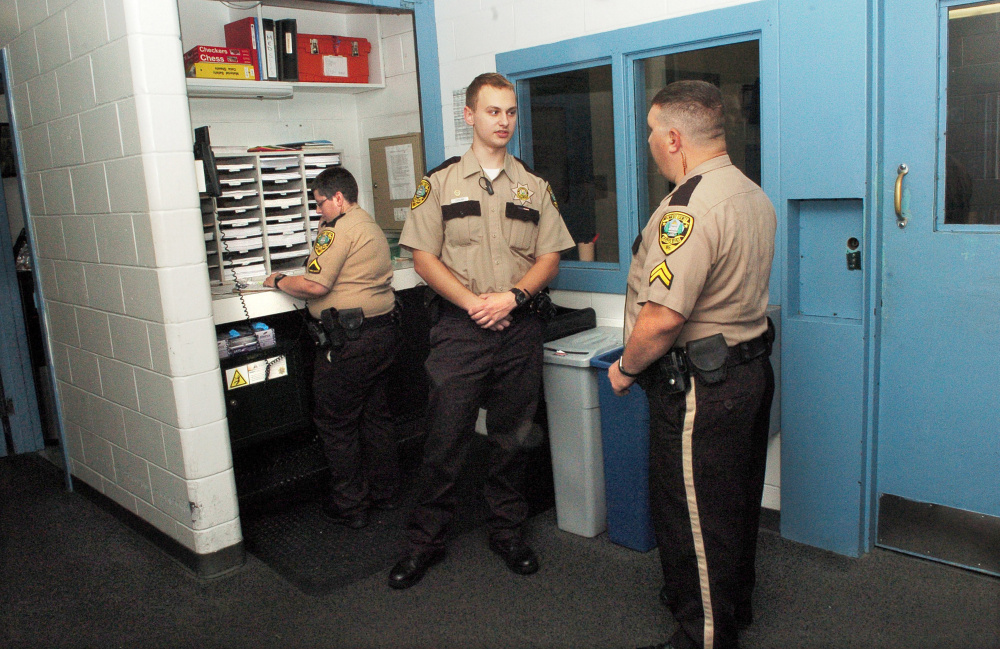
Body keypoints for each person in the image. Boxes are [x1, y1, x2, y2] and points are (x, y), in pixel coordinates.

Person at [389, 72, 575, 589]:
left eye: (511, 112)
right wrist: (475, 304)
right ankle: (424, 542)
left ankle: (508, 533)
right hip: (460, 330)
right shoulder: (441, 182)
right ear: (469, 116)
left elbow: (551, 256)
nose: (504, 121)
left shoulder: (533, 186)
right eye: (494, 111)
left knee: (511, 439)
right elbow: (422, 258)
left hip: (517, 329)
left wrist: (513, 297)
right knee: (444, 438)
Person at [608, 80, 776, 649]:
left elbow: (661, 318)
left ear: (674, 137)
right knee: (731, 503)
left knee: (694, 516)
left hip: (703, 386)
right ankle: (733, 608)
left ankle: (705, 635)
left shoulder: (688, 208)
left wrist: (627, 368)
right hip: (746, 370)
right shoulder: (750, 193)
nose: (651, 143)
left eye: (653, 132)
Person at [264, 166, 399, 530]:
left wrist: (278, 279)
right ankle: (385, 493)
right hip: (381, 334)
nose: (319, 211)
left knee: (337, 423)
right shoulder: (368, 225)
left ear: (337, 198)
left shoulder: (338, 229)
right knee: (375, 417)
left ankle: (351, 505)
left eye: (320, 203)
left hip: (349, 341)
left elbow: (315, 286)